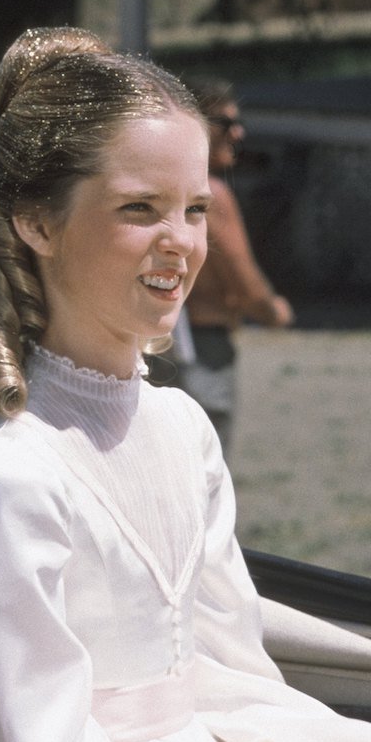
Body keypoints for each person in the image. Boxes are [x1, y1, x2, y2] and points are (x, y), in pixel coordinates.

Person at [0, 28, 371, 742]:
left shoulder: (182, 428)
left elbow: (231, 667)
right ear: (38, 221)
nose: (178, 242)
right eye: (140, 208)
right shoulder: (15, 468)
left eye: (194, 209)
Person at [152, 75, 293, 459]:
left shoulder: (152, 189)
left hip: (156, 345)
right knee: (205, 481)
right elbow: (244, 282)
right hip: (204, 349)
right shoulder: (209, 192)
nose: (238, 133)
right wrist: (273, 311)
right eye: (226, 124)